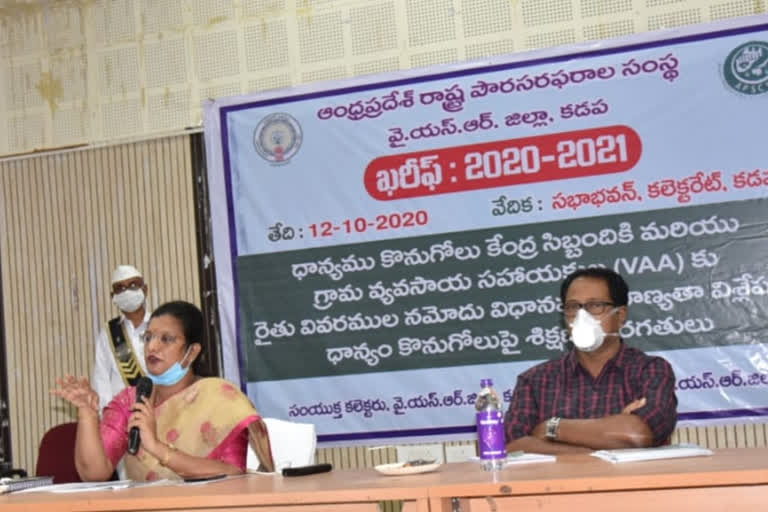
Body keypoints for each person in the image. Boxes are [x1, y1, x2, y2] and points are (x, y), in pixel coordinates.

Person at [53, 301, 274, 481]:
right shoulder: (131, 400)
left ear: (192, 351)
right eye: (148, 337)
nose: (152, 347)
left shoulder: (220, 397)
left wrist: (157, 448)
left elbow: (233, 473)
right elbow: (94, 474)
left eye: (166, 339)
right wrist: (87, 414)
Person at [504, 268, 677, 454]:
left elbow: (636, 435)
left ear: (621, 315)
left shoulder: (650, 370)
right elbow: (513, 448)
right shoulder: (535, 381)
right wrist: (605, 442)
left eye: (595, 306)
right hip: (561, 484)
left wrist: (552, 428)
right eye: (572, 307)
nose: (581, 317)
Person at [92, 265, 151, 412]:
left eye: (133, 285)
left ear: (145, 289)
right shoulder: (109, 333)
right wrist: (106, 416)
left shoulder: (160, 325)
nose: (127, 291)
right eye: (120, 288)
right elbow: (101, 381)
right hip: (121, 417)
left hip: (159, 410)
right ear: (113, 297)